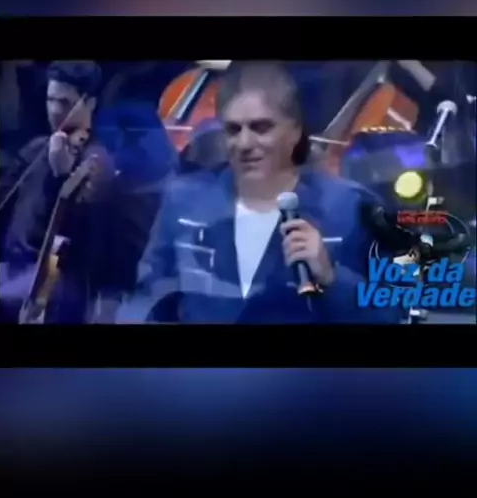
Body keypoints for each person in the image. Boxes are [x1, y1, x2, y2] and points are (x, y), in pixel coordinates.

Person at [115, 61, 402, 324]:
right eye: (233, 130)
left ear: (294, 131)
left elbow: (393, 313)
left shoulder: (350, 208)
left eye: (261, 128)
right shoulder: (184, 201)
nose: (244, 143)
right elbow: (146, 297)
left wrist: (332, 278)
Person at [0, 60, 120, 323]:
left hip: (52, 282)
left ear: (90, 104)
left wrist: (60, 177)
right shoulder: (37, 148)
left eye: (64, 103)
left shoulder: (97, 163)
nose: (54, 110)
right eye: (50, 100)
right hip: (11, 268)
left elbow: (80, 241)